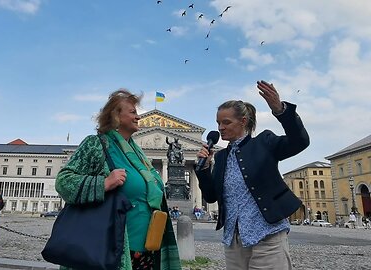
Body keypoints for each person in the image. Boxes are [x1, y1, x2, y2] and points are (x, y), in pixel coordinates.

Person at [56, 89, 181, 270]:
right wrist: (103, 183)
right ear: (115, 116)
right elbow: (64, 181)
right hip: (112, 248)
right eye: (132, 112)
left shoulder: (138, 154)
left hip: (146, 249)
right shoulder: (96, 144)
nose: (138, 117)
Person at [195, 80, 310, 270]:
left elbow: (300, 141)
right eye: (218, 123)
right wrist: (204, 169)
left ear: (243, 121)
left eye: (226, 122)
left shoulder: (264, 142)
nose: (220, 128)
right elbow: (210, 196)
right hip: (235, 239)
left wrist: (281, 111)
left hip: (267, 233)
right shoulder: (222, 157)